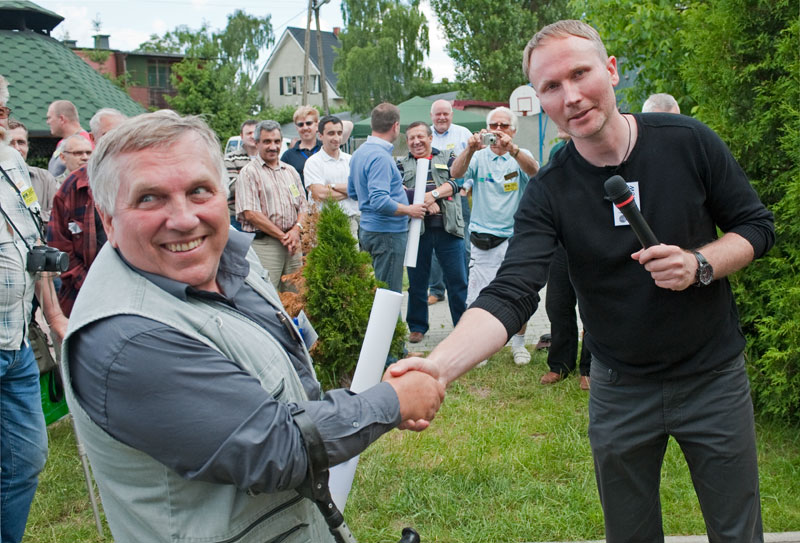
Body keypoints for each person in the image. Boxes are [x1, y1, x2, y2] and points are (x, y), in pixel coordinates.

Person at [392, 20, 774, 542]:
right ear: (539, 100)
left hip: (712, 376)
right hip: (619, 386)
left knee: (738, 533)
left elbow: (756, 226)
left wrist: (700, 263)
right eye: (551, 86)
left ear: (610, 70)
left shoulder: (688, 142)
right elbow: (512, 290)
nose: (570, 96)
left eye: (579, 73)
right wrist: (437, 368)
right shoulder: (550, 190)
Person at [61, 111, 444, 543]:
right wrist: (390, 402)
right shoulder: (127, 339)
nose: (183, 218)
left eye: (199, 190)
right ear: (108, 220)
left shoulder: (228, 258)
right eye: (149, 198)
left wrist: (354, 406)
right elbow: (275, 448)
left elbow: (291, 385)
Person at [0, 74, 67, 543]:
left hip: (16, 342)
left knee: (25, 458)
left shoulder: (12, 164)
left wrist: (56, 316)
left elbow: (34, 247)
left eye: (1, 111)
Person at [449, 106, 539, 365]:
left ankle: (518, 344)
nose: (498, 131)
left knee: (520, 292)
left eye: (504, 126)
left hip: (514, 237)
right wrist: (469, 149)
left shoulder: (520, 155)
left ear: (513, 131)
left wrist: (513, 150)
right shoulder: (479, 156)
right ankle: (480, 348)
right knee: (478, 295)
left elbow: (535, 172)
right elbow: (456, 174)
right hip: (483, 238)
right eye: (494, 126)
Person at [47, 108, 127, 317]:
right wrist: (94, 287)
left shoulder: (143, 180)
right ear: (92, 139)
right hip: (83, 301)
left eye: (122, 134)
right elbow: (59, 246)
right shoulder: (73, 187)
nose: (116, 141)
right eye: (108, 135)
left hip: (134, 296)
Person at [397, 121, 467, 344]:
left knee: (457, 280)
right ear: (407, 141)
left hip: (449, 229)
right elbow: (399, 192)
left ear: (430, 138)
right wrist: (427, 201)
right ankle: (417, 327)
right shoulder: (400, 164)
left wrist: (433, 194)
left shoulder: (448, 157)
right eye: (411, 138)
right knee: (417, 282)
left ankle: (462, 325)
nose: (416, 141)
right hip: (417, 232)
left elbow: (456, 182)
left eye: (420, 136)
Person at [347, 103, 426, 293]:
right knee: (389, 293)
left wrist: (395, 188)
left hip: (370, 229)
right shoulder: (380, 157)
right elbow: (379, 200)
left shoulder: (359, 153)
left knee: (381, 290)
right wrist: (410, 210)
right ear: (395, 126)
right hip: (387, 233)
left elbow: (353, 192)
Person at [540, 128, 591, 389]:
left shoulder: (597, 149)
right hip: (562, 239)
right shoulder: (558, 151)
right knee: (557, 304)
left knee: (591, 305)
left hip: (592, 239)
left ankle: (590, 368)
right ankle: (560, 364)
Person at [236, 120, 308, 292]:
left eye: (276, 141)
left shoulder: (290, 171)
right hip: (266, 245)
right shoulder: (249, 173)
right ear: (257, 143)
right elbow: (251, 213)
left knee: (296, 295)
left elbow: (303, 206)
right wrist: (283, 236)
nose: (273, 147)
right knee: (268, 294)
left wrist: (296, 231)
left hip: (293, 244)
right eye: (267, 141)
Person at [427, 99, 473, 305]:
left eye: (445, 113)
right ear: (431, 116)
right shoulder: (425, 135)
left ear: (452, 115)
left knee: (463, 243)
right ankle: (436, 290)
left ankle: (465, 287)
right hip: (432, 199)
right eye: (438, 114)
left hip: (457, 197)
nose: (442, 117)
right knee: (433, 245)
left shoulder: (463, 134)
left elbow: (474, 162)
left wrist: (467, 187)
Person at [303, 115, 360, 239]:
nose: (336, 138)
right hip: (323, 223)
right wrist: (351, 191)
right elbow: (320, 194)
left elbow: (361, 188)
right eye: (331, 133)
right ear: (320, 136)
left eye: (339, 133)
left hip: (350, 222)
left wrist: (333, 186)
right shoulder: (313, 162)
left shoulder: (351, 160)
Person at [7, 119, 59, 223]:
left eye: (21, 142)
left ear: (27, 146)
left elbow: (59, 215)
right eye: (10, 143)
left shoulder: (45, 179)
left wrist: (28, 216)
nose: (17, 148)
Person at [223, 119, 258, 230]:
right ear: (242, 136)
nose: (252, 136)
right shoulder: (230, 158)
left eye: (255, 132)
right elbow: (233, 187)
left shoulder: (268, 159)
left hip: (264, 218)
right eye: (249, 133)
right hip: (237, 217)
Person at [45, 100, 92, 177]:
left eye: (49, 118)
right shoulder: (62, 143)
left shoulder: (86, 142)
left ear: (61, 119)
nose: (47, 122)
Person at [280, 105, 321, 184]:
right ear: (296, 128)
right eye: (301, 125)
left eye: (309, 123)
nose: (305, 128)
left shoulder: (326, 149)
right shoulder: (288, 156)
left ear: (317, 125)